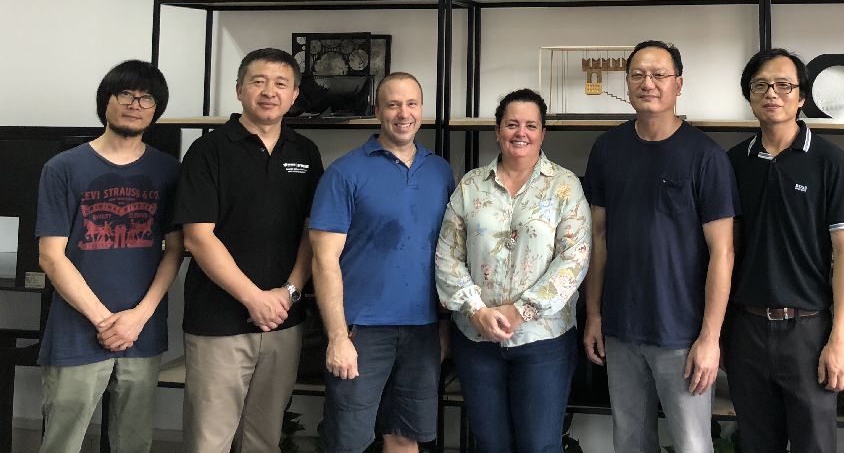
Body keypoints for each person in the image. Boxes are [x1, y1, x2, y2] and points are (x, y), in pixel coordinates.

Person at [582, 40, 736, 453]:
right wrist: (594, 315)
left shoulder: (705, 156)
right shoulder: (607, 149)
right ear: (627, 83)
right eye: (637, 75)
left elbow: (723, 253)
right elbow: (598, 237)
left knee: (692, 445)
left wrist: (710, 338)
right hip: (620, 329)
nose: (647, 83)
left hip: (682, 334)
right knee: (630, 443)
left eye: (658, 75)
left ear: (678, 84)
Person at [173, 48, 324, 453]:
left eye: (281, 84)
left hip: (284, 320)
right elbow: (197, 237)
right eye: (258, 82)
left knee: (264, 439)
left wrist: (289, 293)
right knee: (209, 442)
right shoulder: (209, 150)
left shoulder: (305, 152)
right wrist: (254, 298)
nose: (269, 92)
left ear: (294, 95)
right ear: (239, 89)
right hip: (219, 321)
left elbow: (312, 233)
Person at [35, 60, 182, 453]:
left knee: (134, 442)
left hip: (142, 331)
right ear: (106, 101)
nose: (135, 104)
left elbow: (175, 250)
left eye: (146, 98)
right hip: (76, 331)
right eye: (125, 94)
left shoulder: (170, 171)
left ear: (156, 110)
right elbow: (51, 256)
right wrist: (105, 321)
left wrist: (138, 318)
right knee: (62, 442)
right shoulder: (63, 168)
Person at [436, 88, 591, 453]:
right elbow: (447, 255)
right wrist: (476, 311)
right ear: (497, 130)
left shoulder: (565, 186)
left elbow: (574, 259)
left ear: (543, 133)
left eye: (531, 125)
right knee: (491, 444)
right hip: (477, 340)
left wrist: (522, 310)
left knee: (539, 445)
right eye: (512, 124)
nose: (521, 133)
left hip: (543, 343)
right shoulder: (471, 185)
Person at [724, 48, 844, 453]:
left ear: (802, 97)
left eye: (784, 85)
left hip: (808, 330)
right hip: (746, 330)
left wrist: (839, 337)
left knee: (814, 444)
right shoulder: (733, 162)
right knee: (755, 443)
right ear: (749, 95)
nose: (772, 93)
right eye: (761, 85)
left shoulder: (829, 161)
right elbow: (725, 251)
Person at [310, 72, 455, 453]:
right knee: (348, 441)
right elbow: (324, 259)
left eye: (411, 104)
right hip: (361, 331)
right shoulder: (345, 172)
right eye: (393, 105)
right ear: (377, 111)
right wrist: (337, 337)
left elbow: (447, 256)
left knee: (406, 436)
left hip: (422, 330)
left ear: (421, 110)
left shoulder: (440, 171)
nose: (403, 114)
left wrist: (442, 325)